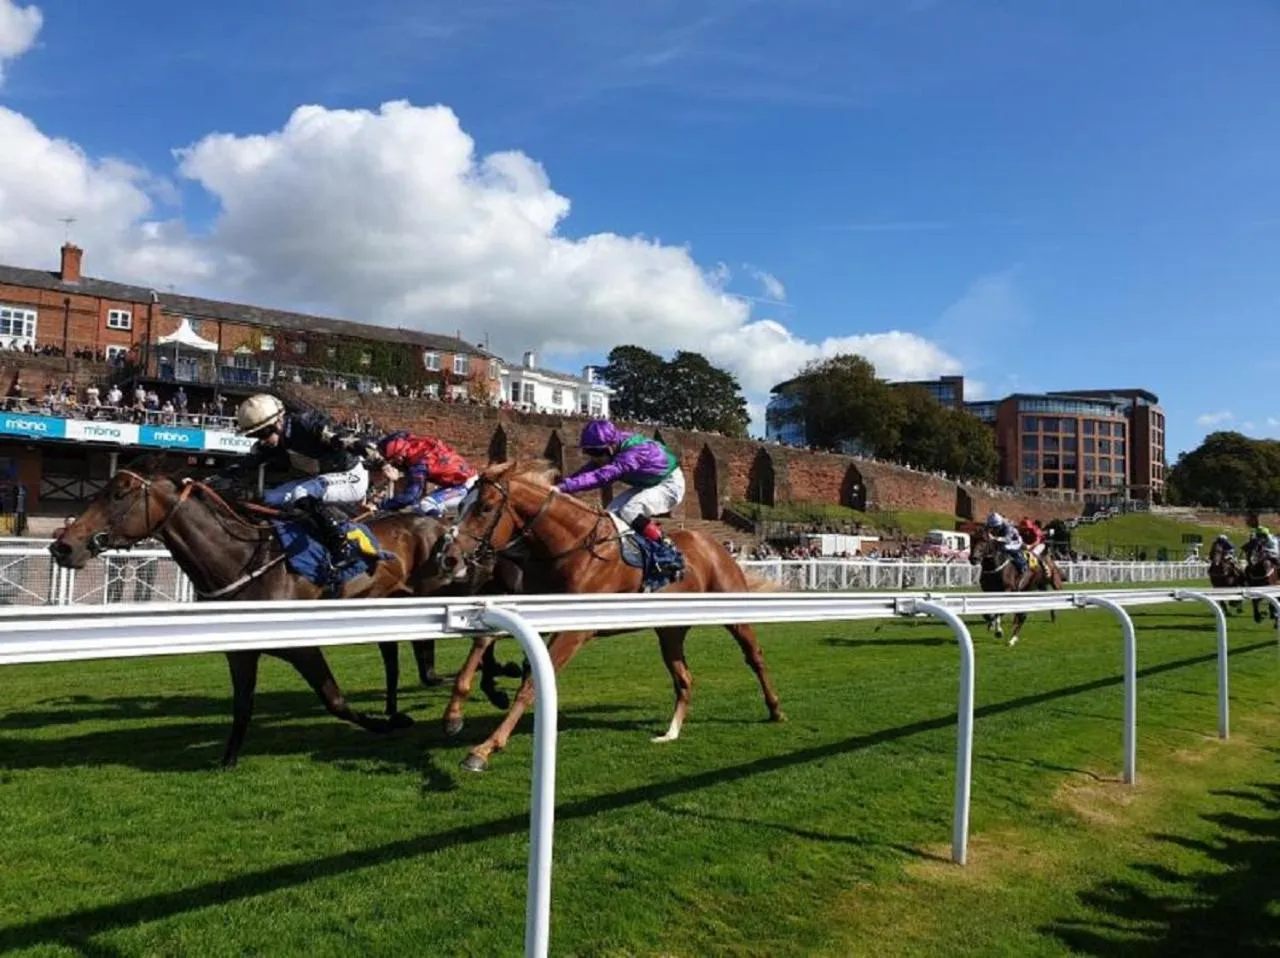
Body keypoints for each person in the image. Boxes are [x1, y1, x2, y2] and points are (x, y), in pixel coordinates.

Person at [213, 394, 370, 572]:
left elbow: (345, 439)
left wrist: (381, 461)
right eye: (255, 435)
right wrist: (211, 481)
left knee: (301, 493)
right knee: (269, 498)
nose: (262, 439)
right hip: (321, 480)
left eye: (264, 432)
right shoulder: (271, 443)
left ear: (279, 421)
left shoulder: (306, 424)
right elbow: (245, 464)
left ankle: (342, 546)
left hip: (350, 476)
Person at [554, 420, 686, 582]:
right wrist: (559, 485)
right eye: (589, 452)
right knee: (610, 516)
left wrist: (563, 488)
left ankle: (667, 549)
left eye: (595, 453)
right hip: (648, 483)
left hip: (670, 484)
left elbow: (602, 476)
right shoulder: (613, 448)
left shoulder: (634, 452)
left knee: (629, 510)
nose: (593, 458)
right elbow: (590, 470)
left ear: (610, 447)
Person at [375, 431, 477, 517]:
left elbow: (410, 497)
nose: (395, 463)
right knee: (418, 508)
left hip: (466, 485)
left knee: (427, 504)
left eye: (393, 460)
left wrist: (381, 506)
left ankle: (444, 538)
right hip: (463, 481)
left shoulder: (418, 463)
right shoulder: (419, 448)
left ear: (399, 454)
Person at [985, 510, 1029, 582]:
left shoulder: (1008, 526)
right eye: (992, 527)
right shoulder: (992, 523)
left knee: (1005, 547)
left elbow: (1007, 539)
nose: (993, 529)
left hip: (1014, 541)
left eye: (995, 527)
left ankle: (1023, 565)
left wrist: (995, 538)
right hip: (1002, 540)